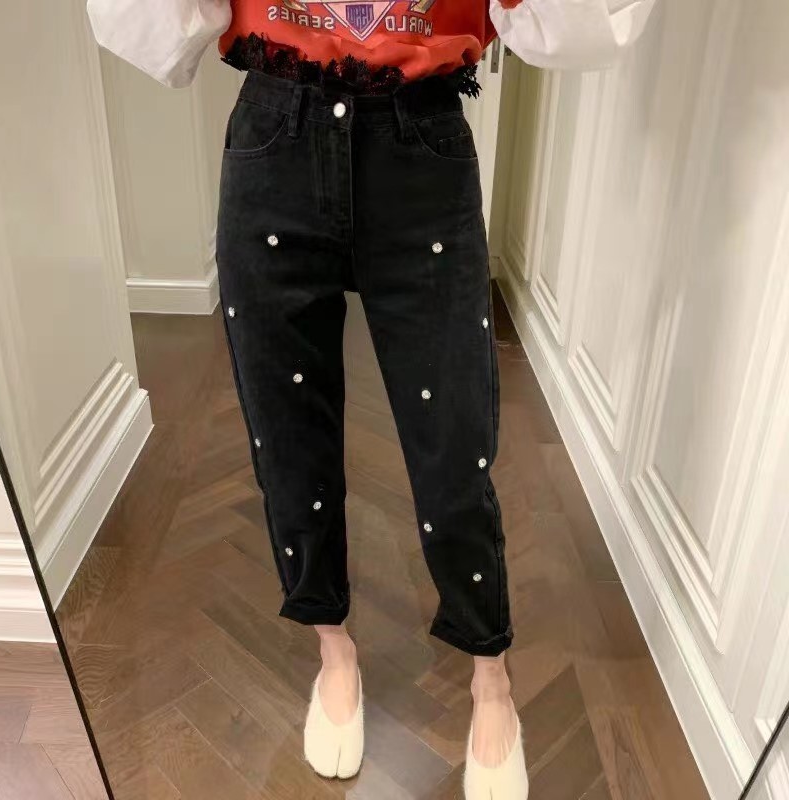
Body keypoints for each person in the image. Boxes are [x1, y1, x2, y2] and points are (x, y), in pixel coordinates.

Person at [87, 0, 656, 796]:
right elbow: (153, 26)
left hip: (420, 139)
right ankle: (334, 648)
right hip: (276, 136)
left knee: (454, 442)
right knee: (287, 433)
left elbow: (583, 22)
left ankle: (491, 672)